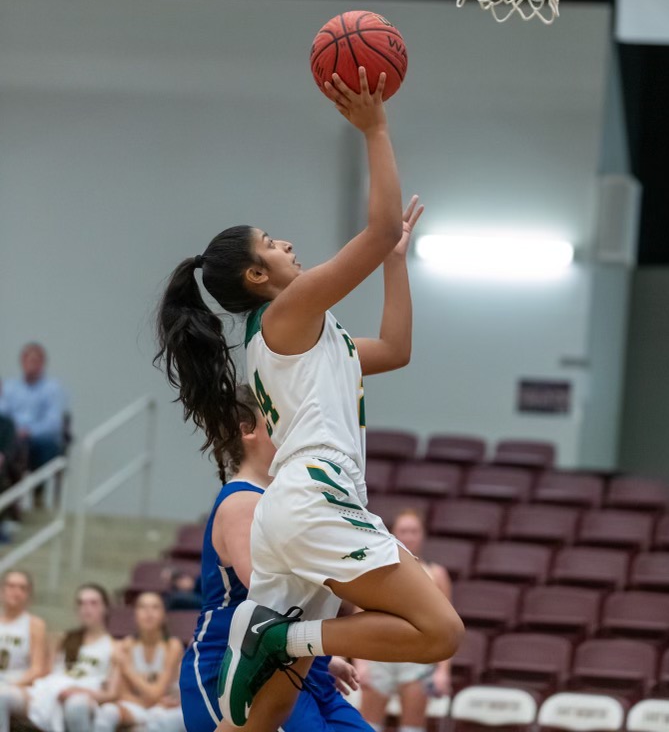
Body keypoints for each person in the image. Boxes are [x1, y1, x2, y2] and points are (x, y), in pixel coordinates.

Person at [155, 67, 464, 731]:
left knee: (258, 723)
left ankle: (278, 639)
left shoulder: (307, 337)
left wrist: (396, 263)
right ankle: (282, 638)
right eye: (271, 244)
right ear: (256, 275)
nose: (287, 243)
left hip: (295, 512)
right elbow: (377, 228)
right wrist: (375, 129)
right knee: (439, 631)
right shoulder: (286, 314)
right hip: (316, 501)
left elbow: (397, 348)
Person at [179, 381, 372, 732]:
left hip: (298, 664)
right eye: (278, 418)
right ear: (247, 430)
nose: (292, 429)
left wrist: (319, 658)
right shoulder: (242, 501)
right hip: (234, 668)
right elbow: (267, 592)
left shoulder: (278, 497)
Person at [357, 510, 453, 732]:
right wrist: (360, 663)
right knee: (367, 725)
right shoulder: (375, 568)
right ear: (393, 533)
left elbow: (448, 626)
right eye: (403, 531)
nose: (408, 536)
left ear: (423, 535)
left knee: (412, 728)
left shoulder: (437, 574)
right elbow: (360, 616)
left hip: (418, 658)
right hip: (380, 654)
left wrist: (443, 671)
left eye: (414, 531)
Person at [28, 584, 116, 732]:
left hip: (85, 696)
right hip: (52, 692)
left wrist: (80, 691)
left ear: (105, 608)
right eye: (81, 603)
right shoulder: (63, 638)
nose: (86, 608)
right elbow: (47, 674)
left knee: (76, 704)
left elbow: (112, 694)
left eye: (93, 603)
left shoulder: (115, 647)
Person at [94, 592, 184, 732]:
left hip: (166, 710)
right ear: (134, 615)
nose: (149, 612)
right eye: (143, 607)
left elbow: (157, 692)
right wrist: (149, 702)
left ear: (164, 615)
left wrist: (127, 669)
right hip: (138, 706)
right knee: (107, 712)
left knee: (158, 722)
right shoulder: (126, 645)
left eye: (155, 607)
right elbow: (120, 693)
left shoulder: (173, 646)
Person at [0, 344, 67, 472]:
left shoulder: (51, 388)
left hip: (38, 440)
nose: (31, 365)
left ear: (42, 363)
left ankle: (40, 483)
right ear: (22, 362)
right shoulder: (11, 387)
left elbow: (53, 423)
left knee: (45, 446)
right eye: (29, 361)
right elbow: (3, 413)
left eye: (35, 361)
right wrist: (14, 431)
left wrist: (29, 432)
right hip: (14, 438)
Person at [0, 569, 48, 732]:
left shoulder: (34, 624)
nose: (16, 592)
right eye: (11, 586)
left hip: (20, 687)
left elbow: (37, 669)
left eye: (22, 588)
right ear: (2, 590)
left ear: (29, 595)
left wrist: (11, 684)